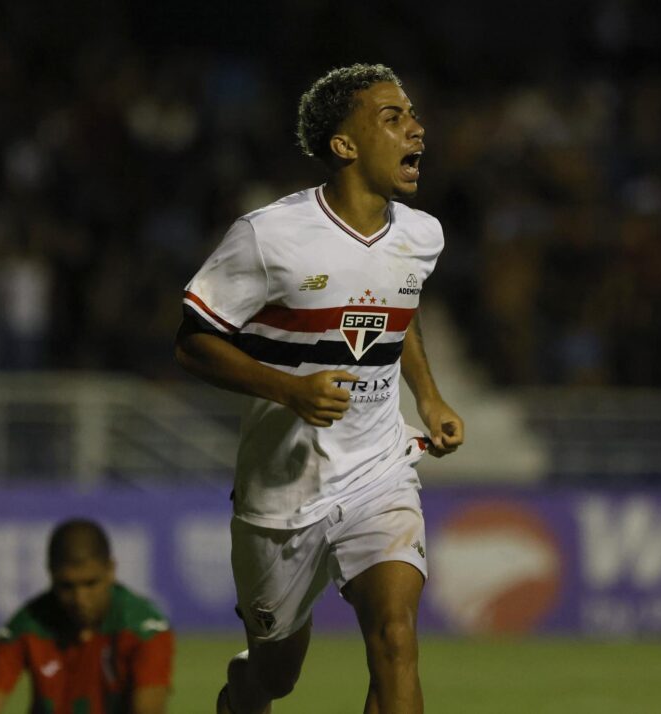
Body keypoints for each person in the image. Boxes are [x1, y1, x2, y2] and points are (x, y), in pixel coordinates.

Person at [176, 63, 465, 714]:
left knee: (395, 639)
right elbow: (191, 343)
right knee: (274, 675)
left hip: (379, 472)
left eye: (413, 114)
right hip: (282, 493)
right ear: (344, 144)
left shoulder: (422, 234)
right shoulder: (269, 235)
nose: (416, 128)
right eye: (392, 117)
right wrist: (290, 391)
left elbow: (397, 310)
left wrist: (428, 397)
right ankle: (240, 696)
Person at [0, 518, 174, 714]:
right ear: (51, 574)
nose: (80, 599)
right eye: (67, 586)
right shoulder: (28, 626)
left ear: (111, 570)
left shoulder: (145, 630)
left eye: (90, 583)